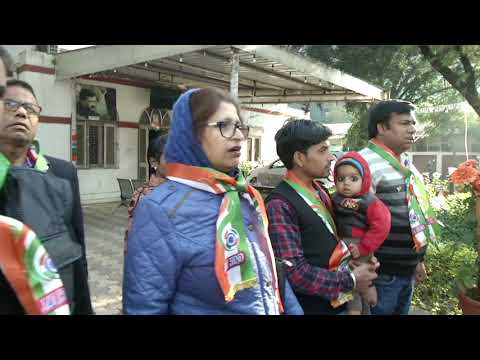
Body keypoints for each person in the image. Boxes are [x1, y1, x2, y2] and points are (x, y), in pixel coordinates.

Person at [123, 87, 303, 315]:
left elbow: (267, 272)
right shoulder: (160, 210)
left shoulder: (242, 195)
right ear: (191, 134)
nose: (238, 135)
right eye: (224, 126)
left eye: (239, 126)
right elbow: (145, 307)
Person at [0, 76, 93, 314]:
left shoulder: (62, 174)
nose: (22, 112)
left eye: (30, 108)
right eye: (10, 104)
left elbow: (78, 256)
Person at [265, 119, 378, 315]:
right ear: (300, 158)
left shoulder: (321, 191)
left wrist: (361, 261)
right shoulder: (280, 204)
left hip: (341, 301)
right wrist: (350, 279)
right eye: (322, 150)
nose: (331, 157)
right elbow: (295, 273)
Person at [359, 100, 440, 315]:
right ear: (382, 127)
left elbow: (414, 212)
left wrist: (417, 260)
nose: (413, 129)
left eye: (413, 123)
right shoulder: (362, 163)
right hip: (381, 276)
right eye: (404, 123)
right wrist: (366, 283)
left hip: (406, 271)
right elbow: (354, 224)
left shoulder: (404, 161)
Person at [332, 151, 391, 315]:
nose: (346, 184)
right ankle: (365, 303)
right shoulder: (335, 198)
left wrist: (365, 246)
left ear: (364, 180)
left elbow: (382, 225)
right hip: (343, 244)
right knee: (350, 275)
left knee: (356, 275)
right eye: (340, 179)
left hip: (360, 244)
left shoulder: (370, 201)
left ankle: (356, 307)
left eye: (353, 179)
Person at [125, 134, 168, 250]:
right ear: (153, 162)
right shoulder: (145, 197)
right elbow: (134, 243)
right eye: (170, 156)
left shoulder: (185, 191)